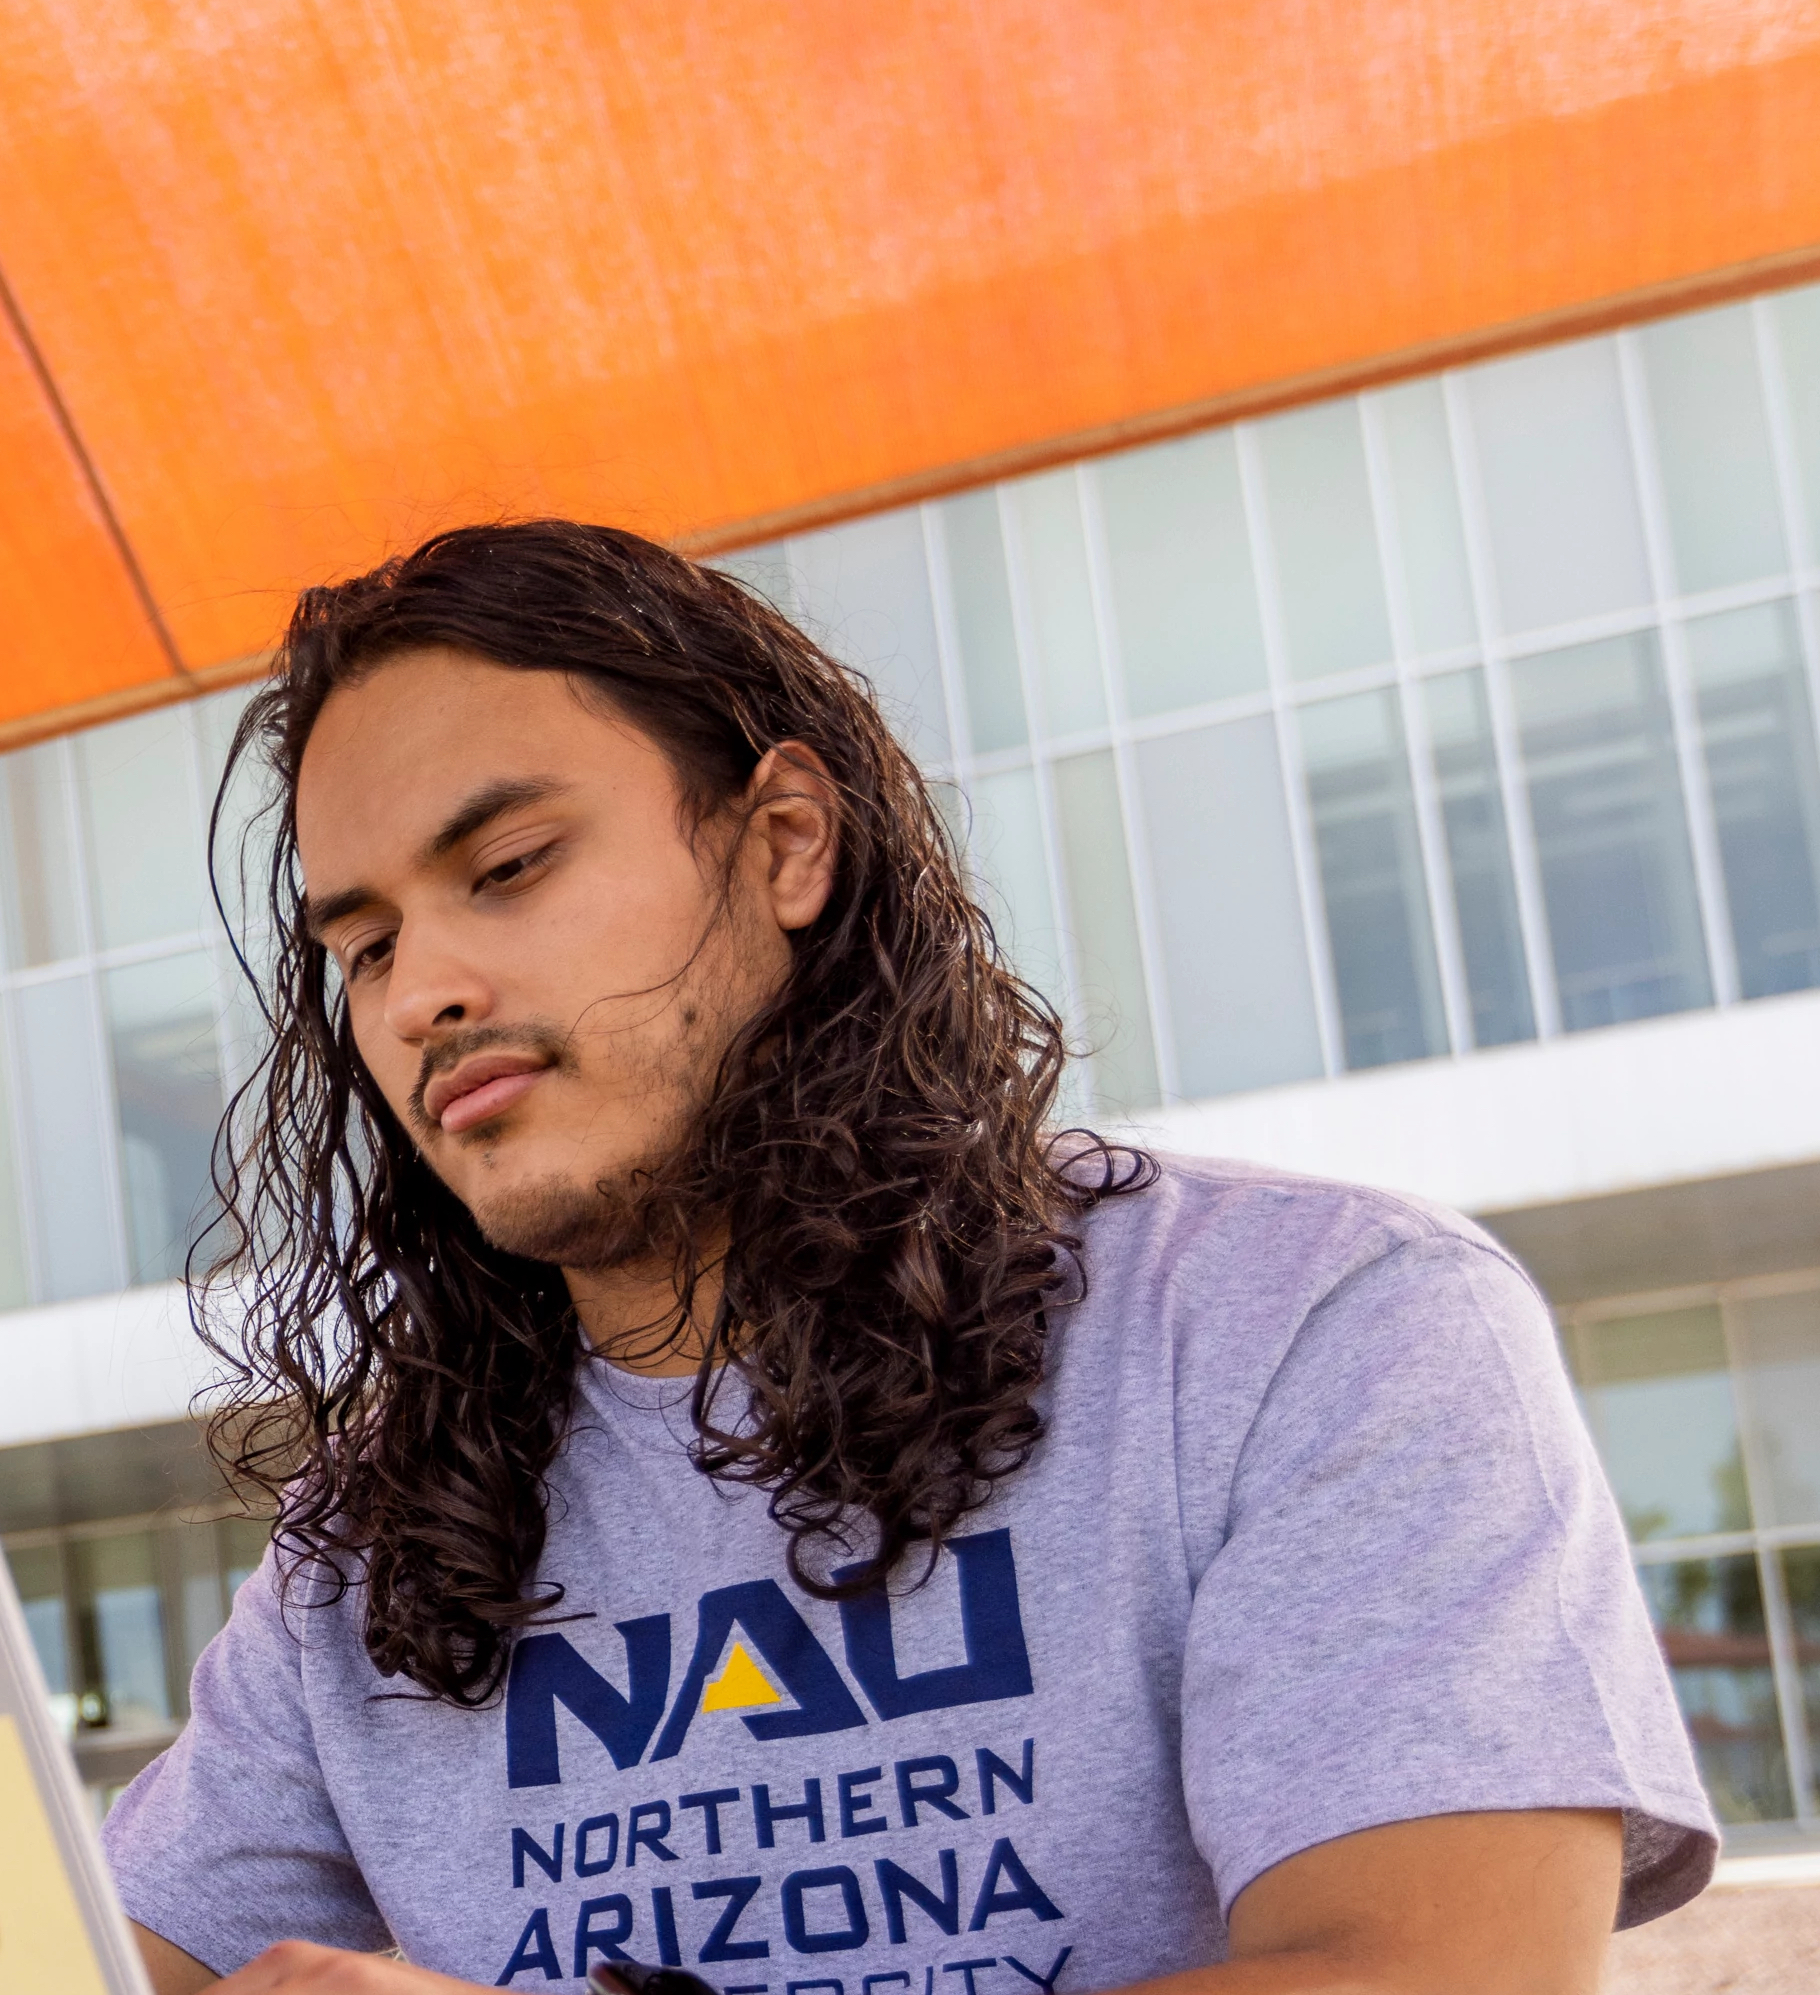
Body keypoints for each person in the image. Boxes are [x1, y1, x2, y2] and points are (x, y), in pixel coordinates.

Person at [105, 523, 1712, 1995]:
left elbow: (1433, 1978)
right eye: (366, 944)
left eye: (512, 867)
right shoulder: (364, 1544)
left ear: (787, 842)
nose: (418, 995)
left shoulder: (1311, 1322)